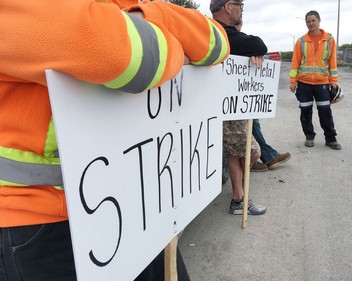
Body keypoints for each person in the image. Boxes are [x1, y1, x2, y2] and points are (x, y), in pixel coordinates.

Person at [0, 1, 230, 280]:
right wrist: (180, 47)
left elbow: (218, 42)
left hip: (132, 198)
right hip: (41, 222)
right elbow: (126, 55)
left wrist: (150, 15)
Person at [211, 0, 267, 215]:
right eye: (239, 4)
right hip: (226, 108)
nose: (242, 8)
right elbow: (258, 45)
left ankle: (238, 199)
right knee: (253, 152)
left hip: (227, 107)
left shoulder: (213, 30)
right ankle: (240, 195)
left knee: (235, 153)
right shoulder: (221, 32)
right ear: (227, 7)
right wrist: (252, 51)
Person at [290, 10, 341, 150]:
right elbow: (295, 63)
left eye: (313, 20)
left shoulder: (329, 39)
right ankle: (309, 136)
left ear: (319, 21)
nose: (311, 23)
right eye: (308, 21)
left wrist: (334, 81)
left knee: (325, 111)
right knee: (305, 111)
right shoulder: (301, 41)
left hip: (322, 83)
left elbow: (332, 62)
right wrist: (293, 81)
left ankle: (330, 139)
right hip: (304, 83)